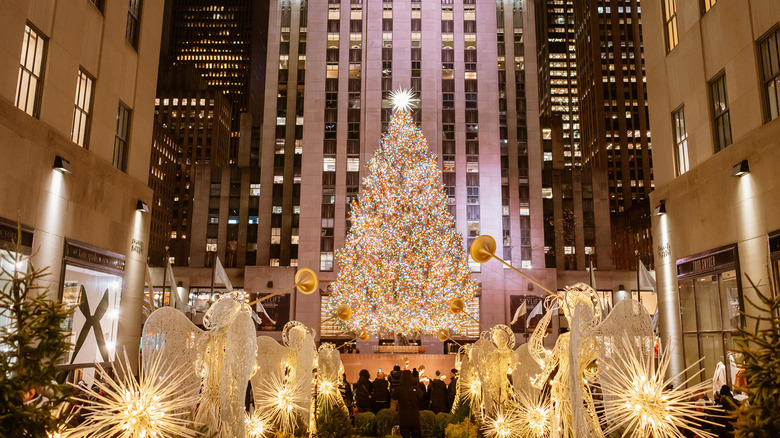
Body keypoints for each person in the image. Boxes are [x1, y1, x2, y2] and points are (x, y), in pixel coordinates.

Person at [392, 370, 423, 438]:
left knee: (405, 434)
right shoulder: (416, 388)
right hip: (415, 417)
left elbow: (393, 396)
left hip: (403, 417)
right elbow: (421, 397)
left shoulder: (399, 388)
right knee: (416, 434)